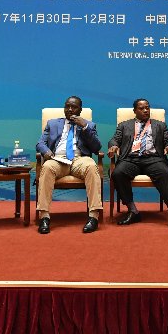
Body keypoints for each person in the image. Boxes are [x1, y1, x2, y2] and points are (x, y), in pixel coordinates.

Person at [107, 99, 168, 231]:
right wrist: (114, 146)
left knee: (166, 173)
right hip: (130, 159)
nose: (146, 110)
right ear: (135, 111)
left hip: (153, 159)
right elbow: (114, 140)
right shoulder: (124, 125)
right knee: (117, 173)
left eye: (147, 107)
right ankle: (133, 211)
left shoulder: (160, 125)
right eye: (142, 108)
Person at [35, 96, 103, 234]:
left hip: (80, 159)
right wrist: (46, 151)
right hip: (58, 159)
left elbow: (96, 148)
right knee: (47, 167)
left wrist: (84, 127)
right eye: (67, 106)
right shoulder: (52, 123)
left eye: (74, 107)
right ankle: (44, 217)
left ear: (80, 110)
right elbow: (40, 143)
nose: (70, 109)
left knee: (91, 166)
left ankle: (93, 217)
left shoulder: (89, 125)